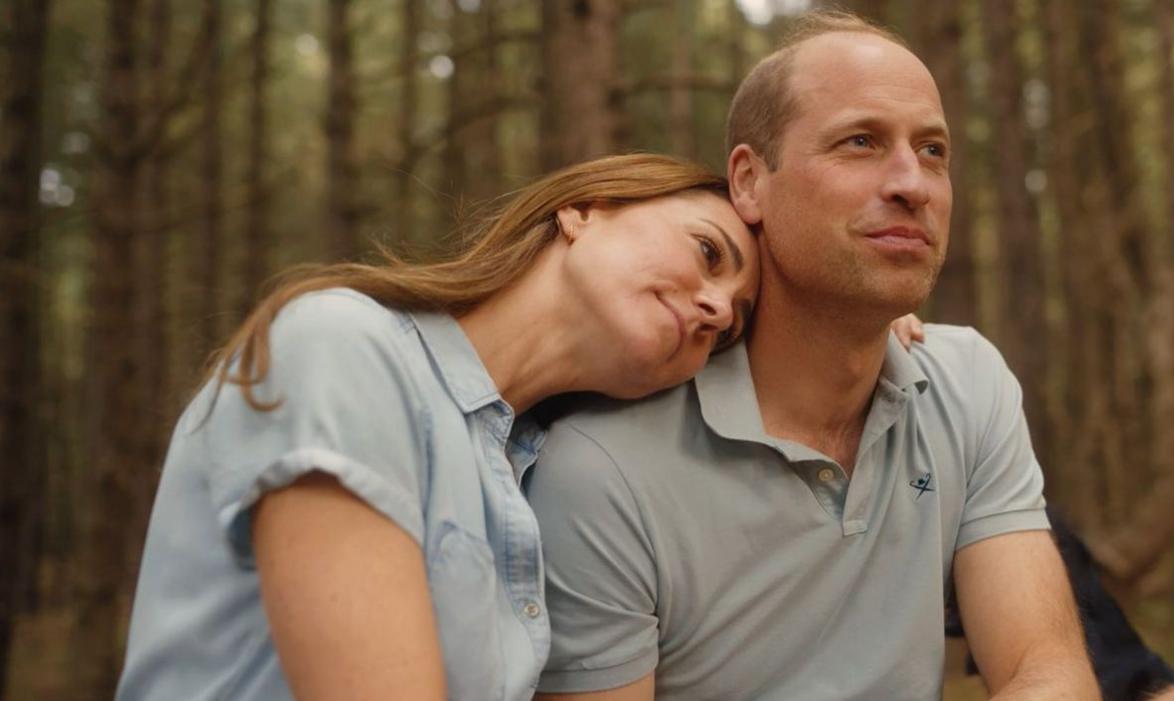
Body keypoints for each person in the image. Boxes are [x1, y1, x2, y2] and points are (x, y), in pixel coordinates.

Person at [526, 11, 1099, 701]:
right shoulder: (603, 466)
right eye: (861, 141)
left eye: (933, 151)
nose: (911, 183)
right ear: (748, 181)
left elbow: (1045, 671)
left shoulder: (966, 382)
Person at [114, 154, 762, 701]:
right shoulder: (346, 346)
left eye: (731, 325)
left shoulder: (530, 479)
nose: (714, 309)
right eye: (708, 252)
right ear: (584, 209)